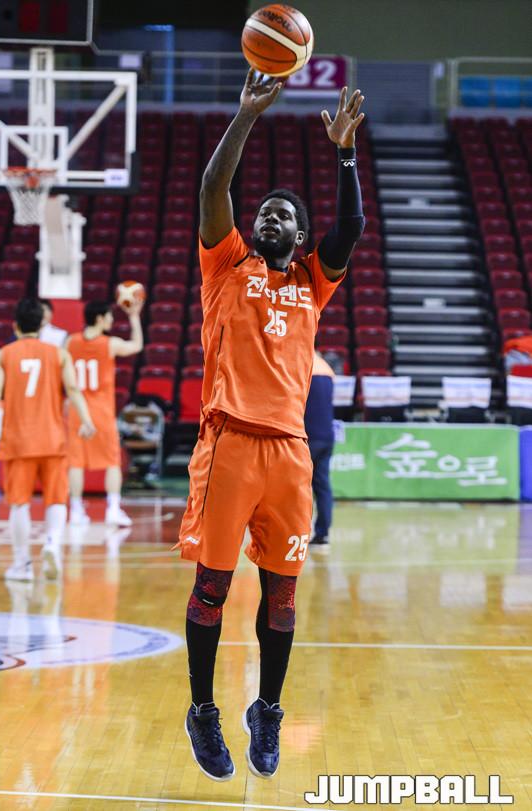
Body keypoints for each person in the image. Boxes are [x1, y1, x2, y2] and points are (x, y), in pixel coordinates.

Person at [176, 69, 365, 782]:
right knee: (213, 586)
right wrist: (247, 115)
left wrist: (344, 153)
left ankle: (269, 709)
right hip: (229, 442)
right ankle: (202, 710)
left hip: (288, 452)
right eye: (264, 212)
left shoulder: (312, 280)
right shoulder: (227, 265)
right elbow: (211, 189)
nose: (270, 218)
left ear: (301, 235)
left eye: (283, 214)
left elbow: (352, 228)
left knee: (282, 596)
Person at [0, 298, 95, 582]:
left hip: (18, 440)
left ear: (15, 326)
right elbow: (73, 389)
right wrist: (87, 420)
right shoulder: (59, 354)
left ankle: (22, 564)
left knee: (19, 503)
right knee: (56, 499)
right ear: (42, 325)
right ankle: (52, 544)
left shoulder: (1, 355)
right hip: (53, 439)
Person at [66, 299, 143, 527]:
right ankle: (113, 508)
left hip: (76, 410)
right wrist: (134, 316)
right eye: (109, 316)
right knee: (112, 461)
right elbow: (137, 345)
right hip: (101, 411)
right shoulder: (109, 344)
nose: (111, 320)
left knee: (75, 463)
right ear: (100, 318)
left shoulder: (70, 342)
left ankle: (76, 511)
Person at [304, 351, 336, 552]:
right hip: (327, 436)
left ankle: (293, 535)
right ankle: (323, 534)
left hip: (307, 437)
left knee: (296, 488)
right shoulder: (327, 369)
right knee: (323, 487)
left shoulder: (302, 364)